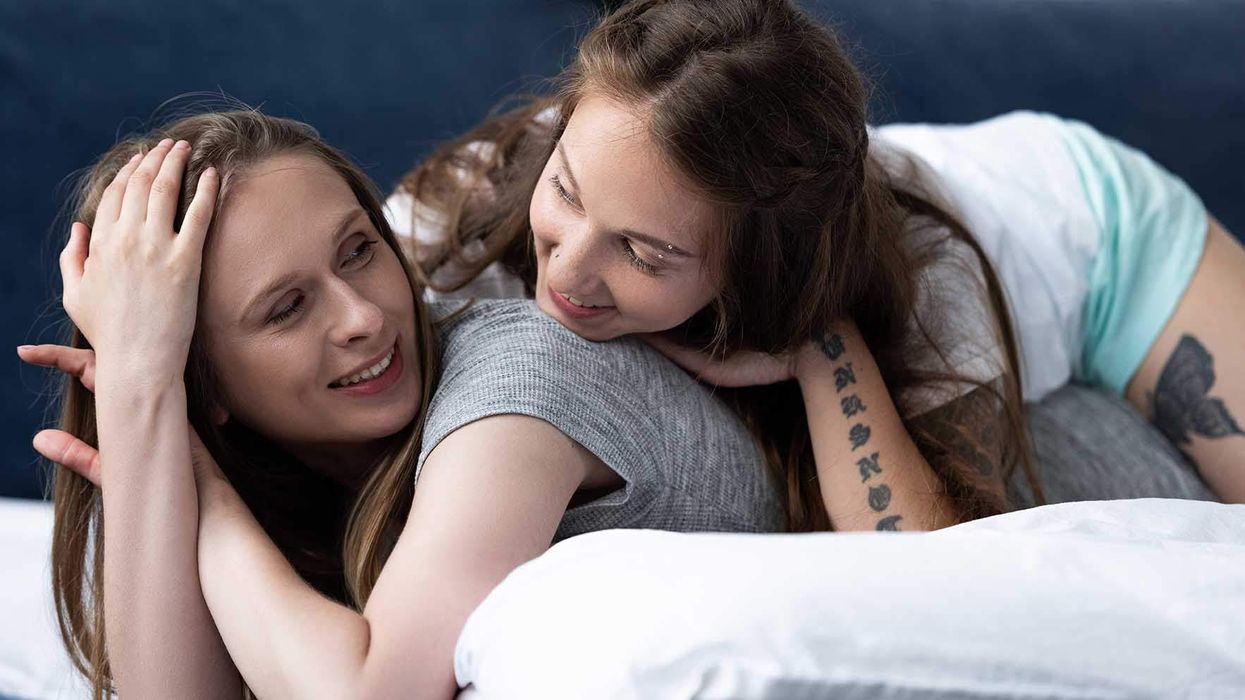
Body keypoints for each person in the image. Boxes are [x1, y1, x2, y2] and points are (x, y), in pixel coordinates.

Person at [18, 109, 783, 699]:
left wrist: (198, 488)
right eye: (287, 308)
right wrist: (142, 398)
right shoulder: (309, 489)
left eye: (357, 250)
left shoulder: (520, 380)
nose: (363, 318)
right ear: (207, 387)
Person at [394, 0, 1244, 527]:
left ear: (762, 267)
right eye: (568, 194)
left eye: (644, 253)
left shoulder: (930, 270)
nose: (568, 274)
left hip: (1112, 242)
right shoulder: (479, 191)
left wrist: (818, 351)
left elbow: (937, 564)